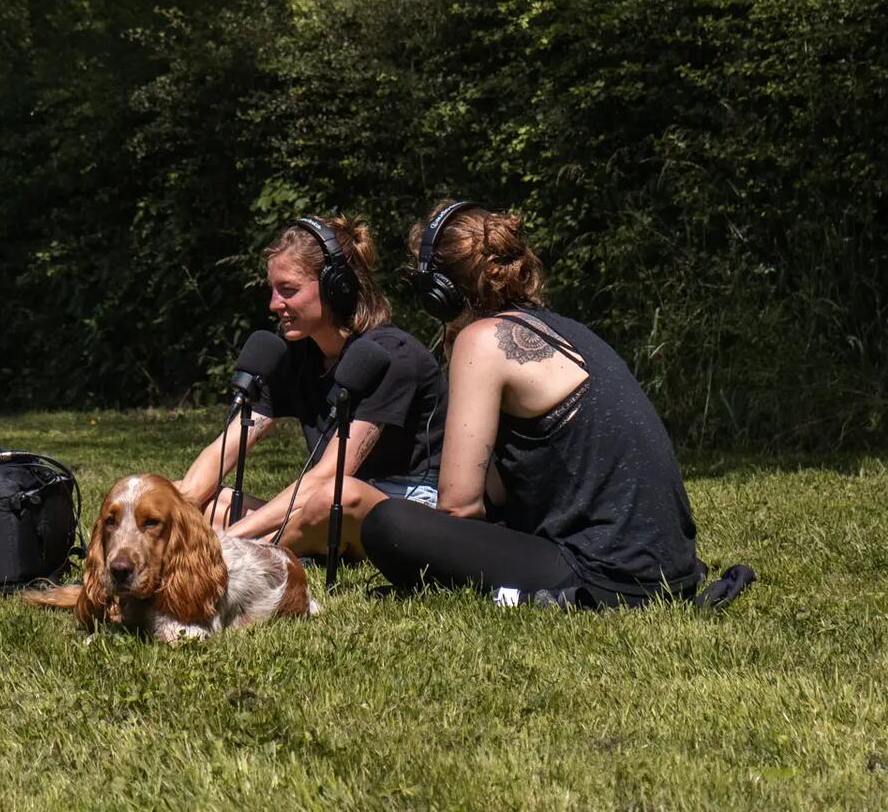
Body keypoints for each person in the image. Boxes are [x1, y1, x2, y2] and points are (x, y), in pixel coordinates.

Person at [359, 201, 704, 607]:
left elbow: (460, 506)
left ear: (439, 293)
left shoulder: (481, 341)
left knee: (388, 523)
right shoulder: (565, 329)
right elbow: (500, 492)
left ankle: (521, 595)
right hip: (671, 571)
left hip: (605, 574)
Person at [175, 216, 448, 559]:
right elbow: (228, 446)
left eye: (288, 290)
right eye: (273, 290)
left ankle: (241, 550)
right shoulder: (295, 353)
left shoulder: (392, 356)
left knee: (334, 498)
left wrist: (226, 541)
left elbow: (329, 476)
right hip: (324, 502)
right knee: (198, 503)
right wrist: (179, 506)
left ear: (337, 287)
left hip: (399, 507)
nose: (274, 304)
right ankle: (268, 543)